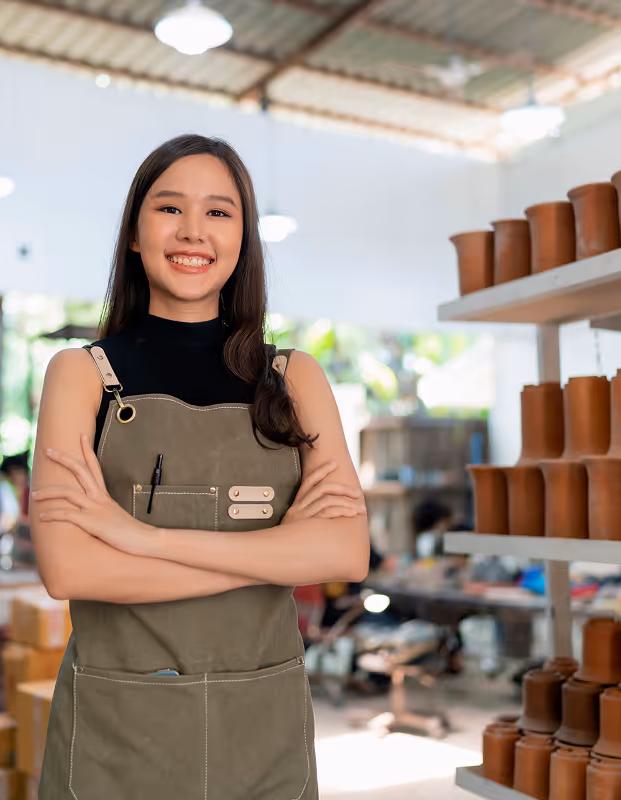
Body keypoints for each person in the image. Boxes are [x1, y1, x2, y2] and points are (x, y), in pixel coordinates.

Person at [29, 134, 370, 799]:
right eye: (169, 209)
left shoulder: (295, 378)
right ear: (134, 232)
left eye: (219, 212)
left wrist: (142, 538)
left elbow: (346, 553)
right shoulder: (79, 376)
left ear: (243, 237)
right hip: (117, 734)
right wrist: (279, 548)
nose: (193, 231)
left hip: (262, 727)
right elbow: (71, 569)